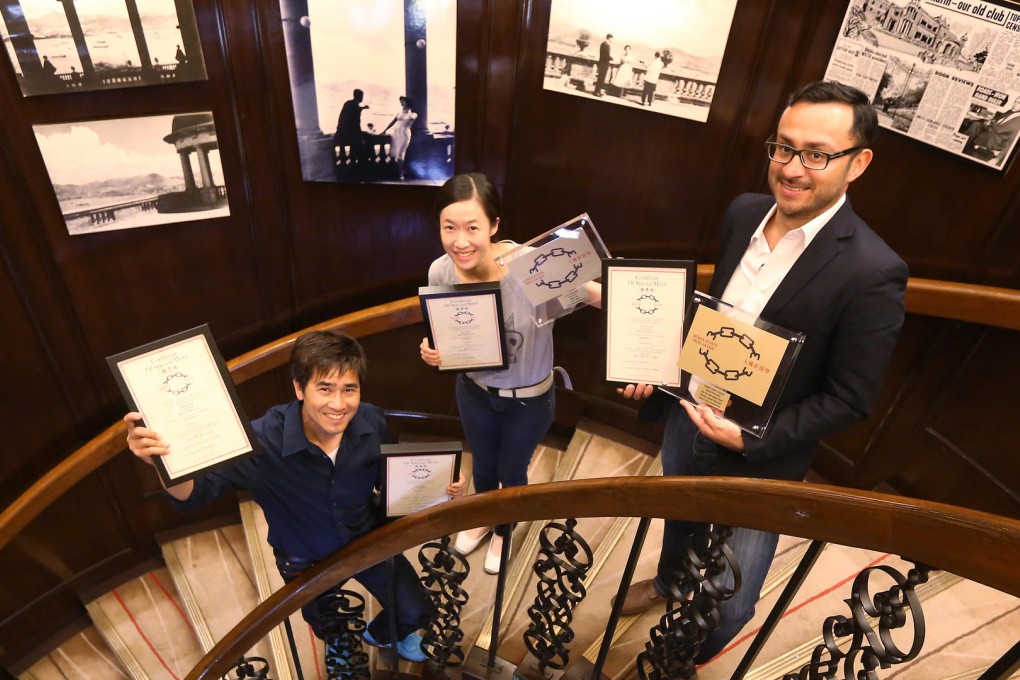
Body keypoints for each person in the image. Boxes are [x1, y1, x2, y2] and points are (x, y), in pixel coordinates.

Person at [616, 81, 908, 664]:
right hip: (689, 415)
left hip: (759, 457)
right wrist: (654, 362)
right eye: (783, 147)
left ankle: (683, 659)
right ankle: (672, 583)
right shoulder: (743, 213)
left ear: (858, 163)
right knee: (678, 514)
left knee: (731, 603)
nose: (793, 168)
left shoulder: (873, 272)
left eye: (817, 154)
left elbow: (850, 399)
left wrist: (754, 437)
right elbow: (717, 324)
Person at [125, 330, 464, 670]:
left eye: (350, 389)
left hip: (368, 538)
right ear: (299, 389)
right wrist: (161, 462)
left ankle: (383, 634)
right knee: (330, 623)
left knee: (413, 609)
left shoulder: (371, 420)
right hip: (305, 557)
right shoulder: (260, 441)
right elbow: (194, 494)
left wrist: (439, 486)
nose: (339, 404)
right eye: (325, 388)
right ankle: (341, 645)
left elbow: (386, 478)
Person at [418, 174, 600, 574]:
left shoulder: (531, 266)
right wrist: (434, 351)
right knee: (482, 464)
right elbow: (446, 332)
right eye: (449, 228)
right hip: (473, 390)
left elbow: (594, 296)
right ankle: (485, 516)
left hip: (529, 400)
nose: (460, 241)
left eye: (472, 228)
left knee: (511, 470)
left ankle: (504, 529)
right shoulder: (441, 272)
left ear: (495, 226)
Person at [964, 97, 1020, 165]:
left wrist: (997, 158)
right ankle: (962, 141)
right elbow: (997, 123)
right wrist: (991, 121)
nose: (1014, 104)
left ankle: (971, 144)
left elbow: (1011, 143)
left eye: (1019, 103)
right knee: (976, 124)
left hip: (995, 141)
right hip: (989, 131)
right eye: (1015, 101)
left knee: (976, 125)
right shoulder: (1010, 111)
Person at [382, 96, 417, 180]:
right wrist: (384, 131)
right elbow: (392, 123)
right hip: (396, 134)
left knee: (400, 154)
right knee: (393, 154)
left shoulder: (413, 114)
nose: (401, 103)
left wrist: (407, 111)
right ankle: (397, 172)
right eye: (401, 101)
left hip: (404, 134)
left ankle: (401, 174)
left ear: (408, 102)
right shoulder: (399, 113)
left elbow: (411, 119)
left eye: (403, 101)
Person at [334, 89, 370, 164]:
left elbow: (350, 113)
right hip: (349, 134)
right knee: (361, 145)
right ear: (359, 97)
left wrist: (363, 108)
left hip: (341, 132)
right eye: (362, 96)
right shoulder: (355, 107)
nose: (362, 98)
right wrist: (360, 138)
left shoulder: (348, 103)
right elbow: (356, 124)